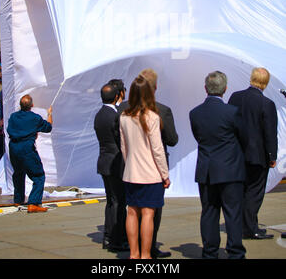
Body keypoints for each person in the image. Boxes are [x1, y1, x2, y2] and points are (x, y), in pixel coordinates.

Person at [118, 68, 178, 258]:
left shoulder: (124, 117)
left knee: (132, 213)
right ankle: (145, 254)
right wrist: (165, 175)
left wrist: (129, 166)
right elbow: (158, 150)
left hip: (131, 172)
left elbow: (124, 147)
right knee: (148, 215)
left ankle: (133, 254)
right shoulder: (153, 117)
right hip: (150, 174)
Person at [189, 71, 247, 259]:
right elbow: (243, 137)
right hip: (230, 169)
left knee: (209, 213)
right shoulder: (232, 112)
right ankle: (235, 252)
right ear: (225, 89)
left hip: (207, 169)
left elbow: (198, 136)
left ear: (206, 88)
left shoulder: (195, 113)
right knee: (233, 213)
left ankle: (210, 252)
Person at [228, 67, 278, 240]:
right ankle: (250, 228)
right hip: (258, 156)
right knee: (254, 193)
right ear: (265, 83)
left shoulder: (235, 97)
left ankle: (246, 225)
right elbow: (270, 133)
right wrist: (272, 156)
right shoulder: (267, 104)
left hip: (237, 153)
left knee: (241, 191)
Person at [94, 84, 128, 252]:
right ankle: (116, 238)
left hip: (104, 161)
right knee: (118, 202)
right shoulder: (114, 116)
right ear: (116, 97)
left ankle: (109, 236)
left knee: (111, 201)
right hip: (114, 162)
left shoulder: (100, 114)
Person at [7, 94, 53, 213]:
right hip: (26, 147)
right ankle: (33, 202)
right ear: (32, 105)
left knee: (18, 173)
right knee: (38, 176)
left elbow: (10, 129)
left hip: (13, 147)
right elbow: (48, 127)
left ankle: (18, 199)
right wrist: (49, 114)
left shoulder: (13, 116)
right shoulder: (34, 118)